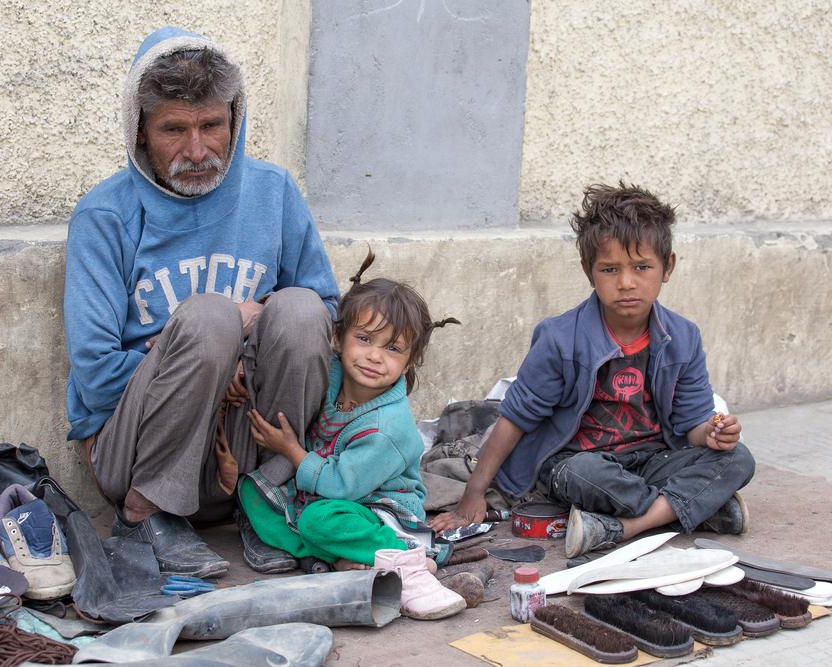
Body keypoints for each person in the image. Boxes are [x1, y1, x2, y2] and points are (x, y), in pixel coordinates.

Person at [63, 26, 340, 578]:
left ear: (233, 121)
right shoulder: (105, 216)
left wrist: (244, 341)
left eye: (212, 125)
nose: (197, 149)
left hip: (247, 445)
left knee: (302, 308)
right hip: (138, 451)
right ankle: (146, 515)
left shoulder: (273, 192)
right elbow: (94, 374)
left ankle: (268, 503)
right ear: (140, 132)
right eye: (173, 129)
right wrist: (201, 346)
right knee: (211, 315)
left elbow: (327, 309)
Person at [429, 183, 756, 558]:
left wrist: (713, 434)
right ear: (589, 272)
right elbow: (514, 419)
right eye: (610, 269)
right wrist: (473, 493)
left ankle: (628, 525)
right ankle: (689, 508)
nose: (626, 282)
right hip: (577, 466)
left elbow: (692, 425)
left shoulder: (682, 337)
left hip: (652, 462)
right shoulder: (560, 339)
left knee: (738, 458)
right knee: (584, 474)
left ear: (668, 266)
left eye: (642, 267)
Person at [233, 251, 467, 620]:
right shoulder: (330, 378)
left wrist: (292, 451)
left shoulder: (388, 425)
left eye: (393, 348)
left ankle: (408, 560)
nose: (375, 356)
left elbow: (342, 485)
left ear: (410, 361)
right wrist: (241, 369)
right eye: (364, 339)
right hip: (325, 496)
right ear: (338, 340)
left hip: (379, 511)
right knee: (253, 491)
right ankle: (338, 556)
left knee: (319, 520)